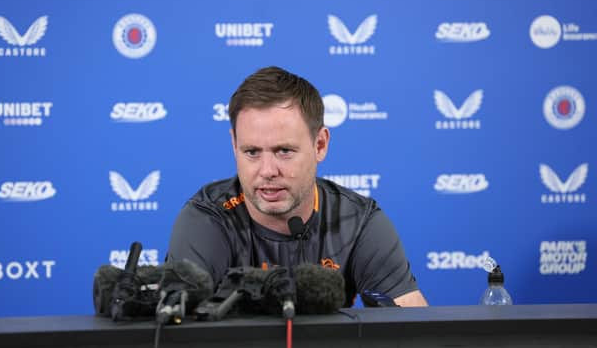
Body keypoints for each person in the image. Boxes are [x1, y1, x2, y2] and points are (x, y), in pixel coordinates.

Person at [167, 66, 427, 307]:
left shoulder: (357, 221)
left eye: (284, 151)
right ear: (234, 144)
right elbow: (177, 340)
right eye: (252, 152)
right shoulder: (207, 219)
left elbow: (414, 333)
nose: (267, 171)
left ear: (320, 145)